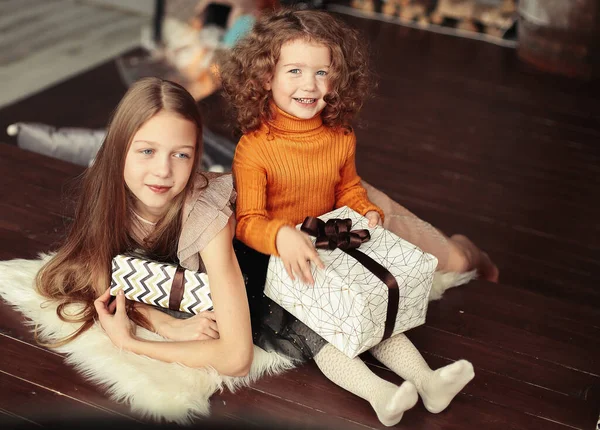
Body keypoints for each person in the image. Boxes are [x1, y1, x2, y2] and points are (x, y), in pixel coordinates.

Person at [220, 9, 497, 426]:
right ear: (265, 78)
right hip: (278, 258)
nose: (309, 85)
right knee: (324, 331)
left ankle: (428, 381)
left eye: (322, 73)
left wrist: (366, 209)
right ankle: (378, 394)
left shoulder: (339, 136)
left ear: (337, 79)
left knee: (372, 312)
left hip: (329, 240)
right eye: (294, 71)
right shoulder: (255, 147)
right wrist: (280, 236)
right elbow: (248, 221)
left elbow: (348, 188)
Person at [35, 77, 253, 377]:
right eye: (147, 151)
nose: (163, 171)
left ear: (196, 156)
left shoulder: (207, 216)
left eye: (181, 154)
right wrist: (164, 323)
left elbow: (237, 358)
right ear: (119, 148)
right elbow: (97, 274)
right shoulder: (108, 188)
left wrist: (130, 342)